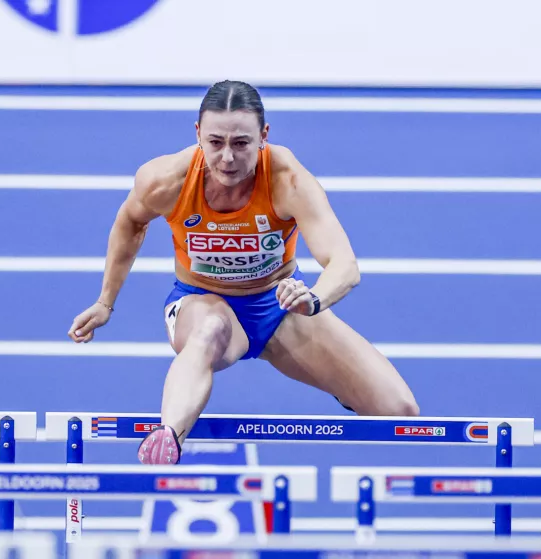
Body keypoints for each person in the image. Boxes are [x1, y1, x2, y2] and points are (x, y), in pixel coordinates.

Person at [68, 80, 419, 465]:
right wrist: (106, 301)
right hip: (200, 303)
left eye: (241, 144)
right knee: (210, 329)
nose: (228, 159)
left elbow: (345, 266)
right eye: (216, 143)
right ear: (198, 134)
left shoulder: (288, 181)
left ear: (263, 137)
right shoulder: (165, 180)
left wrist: (313, 298)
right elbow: (130, 223)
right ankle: (167, 437)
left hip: (279, 308)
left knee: (400, 414)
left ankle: (336, 381)